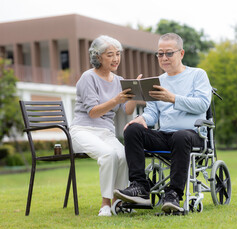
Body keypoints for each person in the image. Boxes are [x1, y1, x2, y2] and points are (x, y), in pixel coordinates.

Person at [113, 33, 212, 213]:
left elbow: (203, 104)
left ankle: (173, 194)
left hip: (192, 134)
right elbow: (152, 113)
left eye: (169, 53)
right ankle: (140, 187)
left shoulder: (198, 75)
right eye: (160, 54)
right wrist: (141, 119)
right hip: (165, 134)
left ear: (181, 54)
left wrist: (172, 98)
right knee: (132, 130)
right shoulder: (157, 82)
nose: (164, 58)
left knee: (181, 136)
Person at [70, 35, 140, 216]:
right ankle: (105, 204)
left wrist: (136, 93)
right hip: (83, 131)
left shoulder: (119, 80)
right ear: (98, 57)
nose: (116, 58)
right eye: (110, 54)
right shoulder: (88, 78)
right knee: (109, 155)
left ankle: (119, 202)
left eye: (118, 54)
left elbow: (128, 110)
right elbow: (93, 112)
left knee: (124, 155)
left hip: (106, 133)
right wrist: (116, 99)